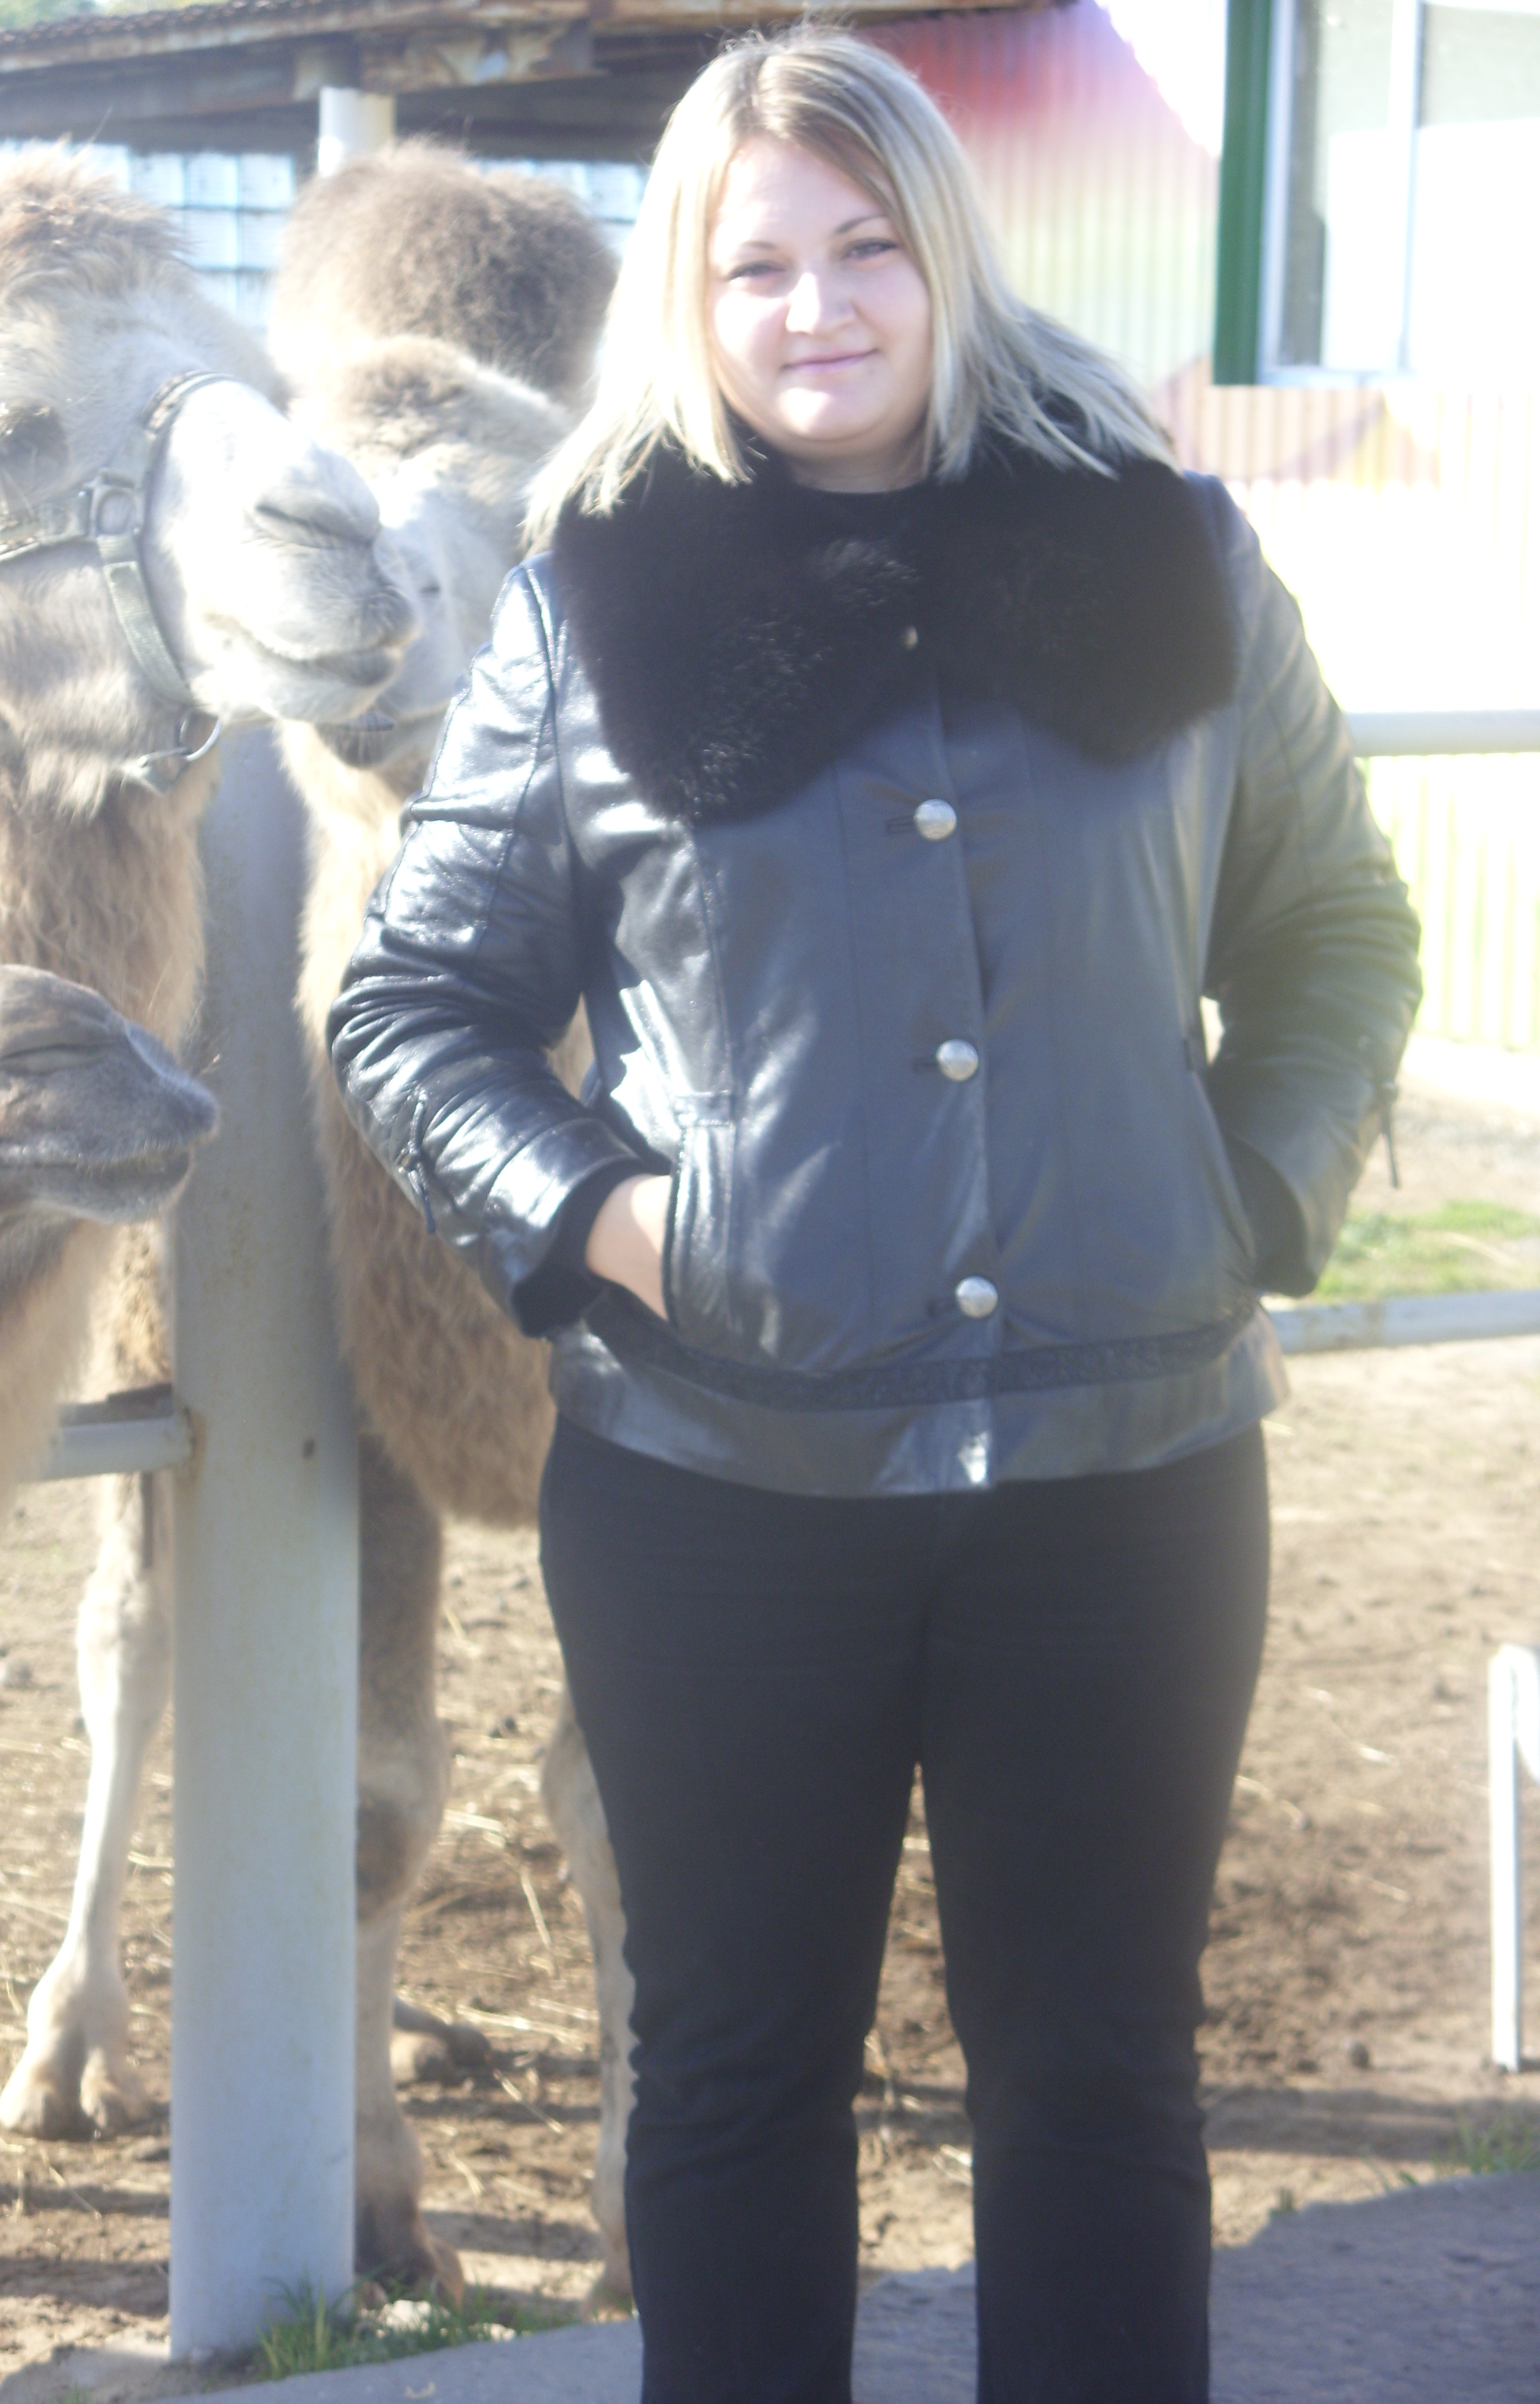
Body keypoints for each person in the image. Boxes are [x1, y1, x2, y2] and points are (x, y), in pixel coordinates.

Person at [328, 29, 1421, 2404]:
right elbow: (412, 1005)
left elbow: (1337, 927)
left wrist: (1247, 1195)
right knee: (734, 2082)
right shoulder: (592, 609)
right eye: (758, 267)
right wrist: (625, 1225)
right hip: (721, 1492)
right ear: (689, 296)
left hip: (1131, 1471)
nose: (816, 306)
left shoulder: (1175, 558)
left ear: (947, 252)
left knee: (1103, 2078)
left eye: (864, 247)